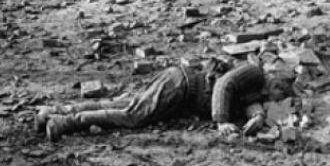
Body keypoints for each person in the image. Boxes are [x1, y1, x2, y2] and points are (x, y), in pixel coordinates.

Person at [35, 61, 292, 142]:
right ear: (275, 81)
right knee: (133, 116)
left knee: (127, 105)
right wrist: (221, 121)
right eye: (278, 92)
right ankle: (64, 122)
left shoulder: (257, 88)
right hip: (182, 86)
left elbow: (249, 100)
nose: (274, 98)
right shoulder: (255, 72)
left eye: (277, 98)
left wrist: (257, 116)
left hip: (179, 90)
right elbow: (225, 84)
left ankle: (54, 111)